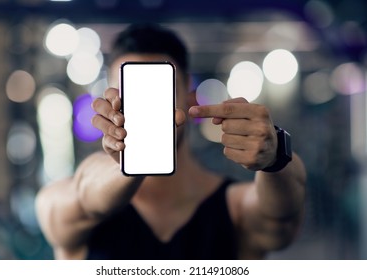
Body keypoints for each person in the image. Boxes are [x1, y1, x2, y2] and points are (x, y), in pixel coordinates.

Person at [35, 22, 306, 260]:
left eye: (158, 89)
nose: (145, 105)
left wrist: (276, 157)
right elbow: (86, 194)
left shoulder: (234, 207)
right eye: (132, 91)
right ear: (112, 99)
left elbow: (280, 220)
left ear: (188, 94)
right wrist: (131, 159)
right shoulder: (63, 202)